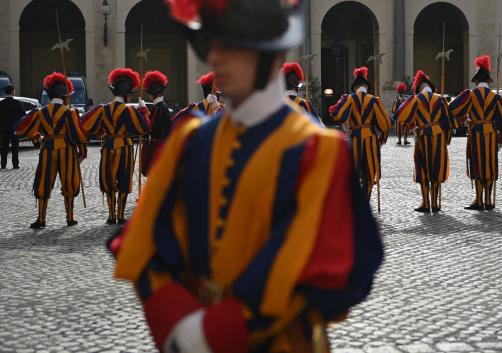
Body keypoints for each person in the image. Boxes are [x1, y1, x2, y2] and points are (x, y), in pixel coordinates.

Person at [109, 1, 383, 352]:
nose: (216, 58)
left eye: (232, 46)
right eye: (212, 44)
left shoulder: (319, 151)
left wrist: (215, 329)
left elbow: (328, 268)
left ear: (270, 51)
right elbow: (144, 246)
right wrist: (177, 323)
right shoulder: (187, 143)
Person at [14, 72, 88, 229]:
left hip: (47, 149)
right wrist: (82, 150)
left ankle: (41, 219)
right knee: (69, 183)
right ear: (65, 96)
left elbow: (20, 129)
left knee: (43, 183)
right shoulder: (70, 112)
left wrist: (37, 136)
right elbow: (77, 135)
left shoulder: (41, 112)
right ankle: (70, 218)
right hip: (67, 150)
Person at [82, 68, 149, 225]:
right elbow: (143, 129)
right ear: (127, 95)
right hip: (124, 147)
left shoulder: (103, 109)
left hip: (108, 146)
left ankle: (111, 215)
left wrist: (100, 132)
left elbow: (88, 126)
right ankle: (120, 215)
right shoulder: (129, 110)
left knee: (109, 180)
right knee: (124, 180)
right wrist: (143, 111)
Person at [449, 55, 502, 211]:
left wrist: (465, 119)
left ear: (476, 81)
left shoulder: (470, 95)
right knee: (489, 165)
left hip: (476, 133)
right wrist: (498, 128)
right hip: (490, 134)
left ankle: (478, 200)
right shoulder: (496, 97)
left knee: (477, 165)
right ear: (489, 81)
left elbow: (453, 108)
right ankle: (489, 201)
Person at [395, 70, 458, 213]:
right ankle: (435, 204)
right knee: (436, 168)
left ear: (419, 88)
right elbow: (448, 122)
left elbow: (400, 115)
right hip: (438, 137)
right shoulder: (440, 99)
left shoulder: (416, 99)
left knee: (422, 168)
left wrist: (413, 127)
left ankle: (425, 203)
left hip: (422, 137)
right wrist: (446, 139)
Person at [330, 66, 392, 200]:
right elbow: (385, 124)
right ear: (366, 86)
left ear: (355, 87)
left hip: (354, 138)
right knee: (369, 173)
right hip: (370, 138)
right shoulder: (374, 100)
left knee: (353, 171)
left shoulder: (349, 99)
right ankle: (366, 201)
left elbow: (337, 115)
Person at [140, 70, 172, 176]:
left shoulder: (159, 108)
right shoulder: (160, 106)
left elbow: (151, 129)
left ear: (154, 94)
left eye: (150, 94)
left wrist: (144, 111)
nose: (149, 96)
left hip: (159, 147)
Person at [0, 84, 25, 169]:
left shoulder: (1, 103)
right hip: (15, 128)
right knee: (15, 147)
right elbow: (23, 115)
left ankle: (3, 164)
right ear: (12, 91)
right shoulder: (17, 103)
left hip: (4, 128)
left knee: (4, 147)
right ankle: (15, 164)